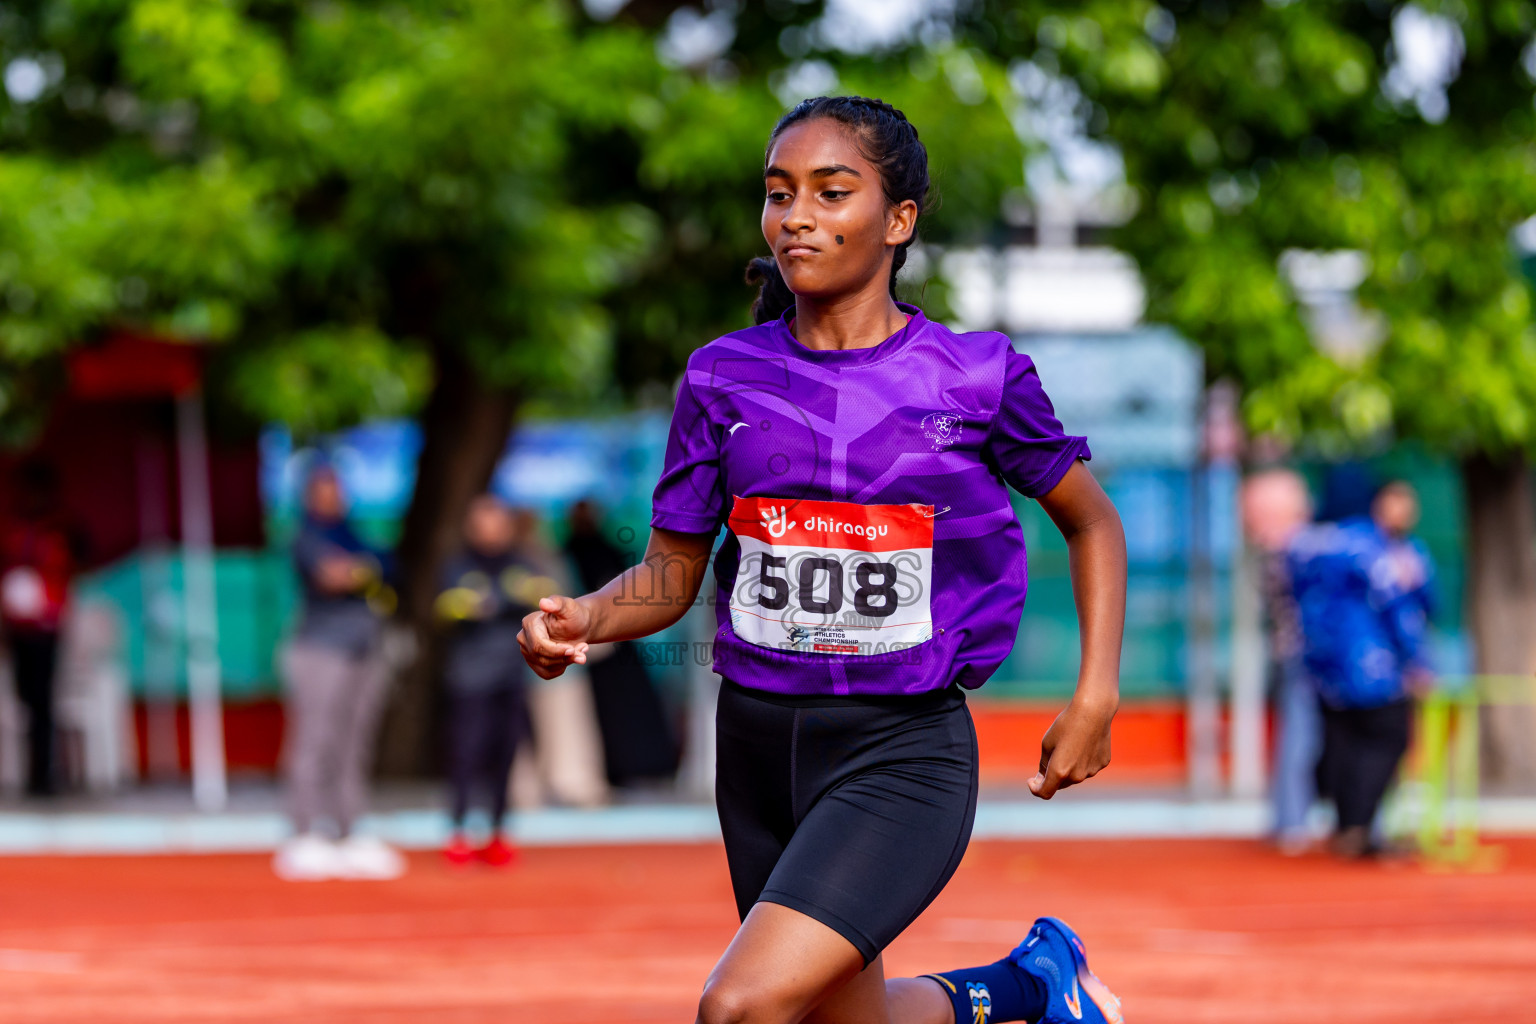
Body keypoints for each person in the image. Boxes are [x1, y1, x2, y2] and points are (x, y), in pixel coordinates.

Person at [520, 96, 1127, 1024]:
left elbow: (1092, 523)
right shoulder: (721, 375)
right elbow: (672, 573)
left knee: (740, 1006)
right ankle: (1029, 987)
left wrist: (1095, 696)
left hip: (900, 749)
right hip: (756, 749)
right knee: (830, 1020)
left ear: (898, 220)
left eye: (831, 192)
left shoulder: (975, 375)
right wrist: (587, 617)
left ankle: (1031, 986)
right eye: (779, 194)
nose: (796, 216)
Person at [272, 465, 405, 881]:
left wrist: (361, 570)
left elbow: (389, 565)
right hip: (319, 649)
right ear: (309, 495)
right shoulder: (304, 536)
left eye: (337, 489)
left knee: (354, 742)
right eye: (324, 490)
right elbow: (332, 575)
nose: (333, 497)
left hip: (364, 648)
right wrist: (365, 571)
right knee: (315, 739)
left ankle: (350, 830)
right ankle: (304, 831)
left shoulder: (355, 534)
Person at [1288, 479, 1433, 859]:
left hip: (1325, 664)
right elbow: (1399, 607)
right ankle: (1359, 826)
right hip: (1372, 665)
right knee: (1386, 740)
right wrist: (1418, 661)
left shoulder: (1309, 545)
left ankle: (1345, 824)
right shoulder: (1378, 551)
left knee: (1343, 742)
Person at [435, 494, 542, 867]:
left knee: (506, 753)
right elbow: (448, 607)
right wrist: (497, 602)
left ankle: (498, 830)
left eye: (497, 523)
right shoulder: (458, 565)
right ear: (471, 528)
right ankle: (459, 831)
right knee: (466, 753)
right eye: (483, 523)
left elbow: (541, 595)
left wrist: (493, 602)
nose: (491, 531)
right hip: (469, 677)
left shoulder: (521, 563)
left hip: (512, 673)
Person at [564, 499, 678, 787]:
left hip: (614, 642)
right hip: (590, 646)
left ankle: (643, 765)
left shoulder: (603, 550)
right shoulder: (569, 552)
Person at [1240, 468, 1318, 854]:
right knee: (1300, 738)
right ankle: (1291, 819)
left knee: (1300, 736)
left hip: (1296, 654)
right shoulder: (1288, 554)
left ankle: (1290, 817)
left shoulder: (1280, 553)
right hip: (1304, 655)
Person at [0, 462, 76, 797]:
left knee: (44, 700)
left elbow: (73, 565)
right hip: (18, 627)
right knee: (25, 699)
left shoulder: (60, 527)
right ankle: (29, 772)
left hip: (47, 626)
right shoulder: (13, 527)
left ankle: (44, 774)